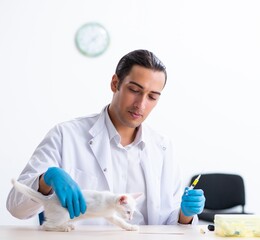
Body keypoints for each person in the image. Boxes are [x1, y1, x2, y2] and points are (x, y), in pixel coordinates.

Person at [6, 49, 205, 225]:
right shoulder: (66, 135)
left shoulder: (163, 147)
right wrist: (45, 180)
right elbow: (16, 207)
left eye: (152, 97)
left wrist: (185, 214)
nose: (141, 105)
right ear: (115, 83)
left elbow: (169, 221)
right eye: (134, 90)